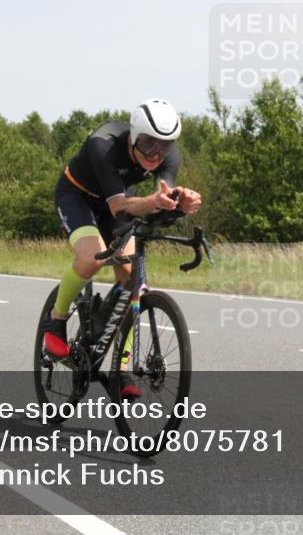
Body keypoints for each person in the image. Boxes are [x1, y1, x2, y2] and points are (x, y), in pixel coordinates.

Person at [44, 99, 201, 396]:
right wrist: (154, 202)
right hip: (78, 196)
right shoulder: (103, 144)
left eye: (163, 147)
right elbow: (118, 207)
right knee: (91, 258)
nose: (156, 155)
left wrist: (180, 203)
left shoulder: (169, 156)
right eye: (147, 144)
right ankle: (57, 320)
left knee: (131, 278)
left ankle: (121, 367)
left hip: (120, 201)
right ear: (133, 137)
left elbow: (160, 199)